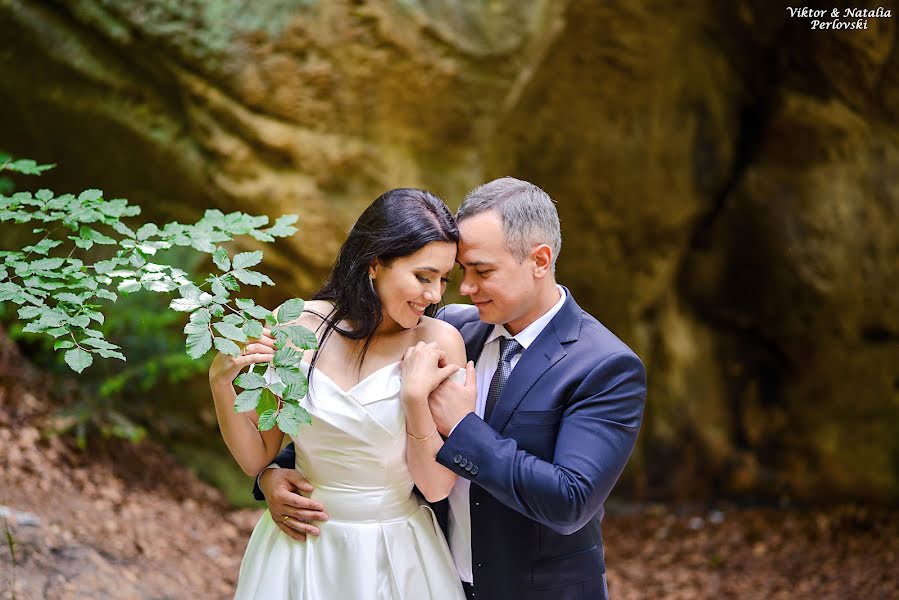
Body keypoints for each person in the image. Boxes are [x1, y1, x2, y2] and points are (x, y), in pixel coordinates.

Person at [261, 177, 647, 599]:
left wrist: (463, 427)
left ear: (539, 260)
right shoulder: (451, 330)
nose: (463, 289)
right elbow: (357, 417)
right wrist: (275, 471)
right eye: (461, 272)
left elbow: (570, 500)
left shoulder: (605, 366)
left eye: (483, 271)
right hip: (429, 575)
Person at [209, 188, 469, 599]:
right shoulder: (295, 327)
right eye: (423, 277)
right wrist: (221, 383)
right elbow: (258, 455)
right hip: (302, 548)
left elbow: (436, 487)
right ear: (375, 263)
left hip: (394, 553)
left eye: (442, 280)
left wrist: (415, 401)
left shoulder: (441, 343)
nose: (436, 295)